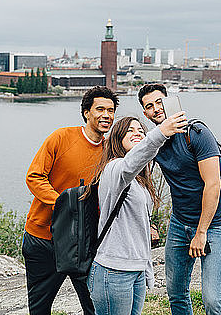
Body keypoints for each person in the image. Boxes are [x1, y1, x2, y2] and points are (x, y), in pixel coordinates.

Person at [22, 86, 119, 315]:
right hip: (44, 239)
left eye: (111, 110)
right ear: (86, 112)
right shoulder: (61, 137)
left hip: (84, 244)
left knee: (94, 306)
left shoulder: (111, 152)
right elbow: (34, 177)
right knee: (39, 308)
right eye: (101, 109)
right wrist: (65, 204)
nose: (107, 115)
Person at [138, 84, 221, 315]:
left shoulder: (197, 134)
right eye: (149, 106)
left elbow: (213, 185)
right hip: (180, 223)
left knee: (212, 300)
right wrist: (149, 221)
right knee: (176, 293)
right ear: (145, 113)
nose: (156, 109)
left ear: (170, 101)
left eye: (159, 102)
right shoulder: (155, 142)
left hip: (213, 224)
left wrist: (201, 233)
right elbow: (142, 183)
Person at [85, 114, 187, 315]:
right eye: (130, 130)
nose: (137, 133)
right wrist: (160, 133)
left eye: (141, 131)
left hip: (136, 269)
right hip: (113, 269)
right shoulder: (114, 168)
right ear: (117, 138)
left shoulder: (139, 181)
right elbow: (132, 161)